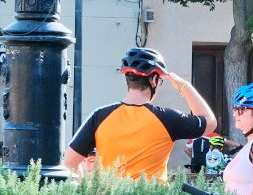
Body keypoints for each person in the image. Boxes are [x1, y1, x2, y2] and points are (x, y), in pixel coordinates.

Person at [64, 48, 217, 179]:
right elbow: (210, 122)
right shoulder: (167, 118)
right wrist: (184, 86)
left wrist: (90, 191)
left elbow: (69, 163)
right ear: (154, 80)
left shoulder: (99, 116)